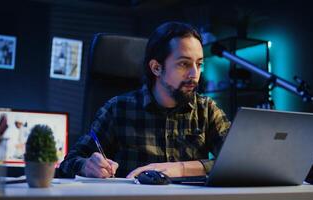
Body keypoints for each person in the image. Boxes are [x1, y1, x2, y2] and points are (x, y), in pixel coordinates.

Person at [59, 21, 231, 178]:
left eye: (199, 64)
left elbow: (238, 162)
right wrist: (86, 165)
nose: (195, 74)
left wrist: (180, 168)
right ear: (156, 67)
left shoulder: (207, 110)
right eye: (184, 64)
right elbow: (69, 162)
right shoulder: (117, 109)